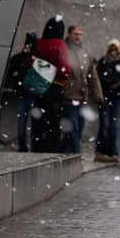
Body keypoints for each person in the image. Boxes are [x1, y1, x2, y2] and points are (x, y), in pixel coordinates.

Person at [59, 24, 103, 155]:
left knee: (78, 129)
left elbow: (93, 75)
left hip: (82, 97)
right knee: (73, 128)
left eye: (80, 34)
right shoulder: (64, 50)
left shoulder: (85, 53)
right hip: (68, 96)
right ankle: (75, 157)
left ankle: (61, 151)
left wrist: (98, 94)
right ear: (69, 34)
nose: (78, 37)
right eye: (75, 34)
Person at [30, 16, 71, 153]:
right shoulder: (60, 44)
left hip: (39, 85)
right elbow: (65, 70)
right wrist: (55, 70)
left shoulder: (39, 43)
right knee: (52, 122)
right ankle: (49, 150)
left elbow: (32, 63)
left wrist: (43, 68)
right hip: (55, 87)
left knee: (38, 121)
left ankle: (37, 149)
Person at [4, 31, 38, 152]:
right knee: (26, 124)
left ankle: (24, 147)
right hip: (28, 94)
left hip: (25, 94)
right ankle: (26, 146)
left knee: (23, 124)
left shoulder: (20, 58)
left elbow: (10, 73)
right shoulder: (29, 59)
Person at [94, 39, 120, 162]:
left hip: (116, 96)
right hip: (106, 95)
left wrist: (118, 84)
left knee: (114, 125)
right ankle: (102, 151)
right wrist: (109, 83)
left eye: (115, 49)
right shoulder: (104, 61)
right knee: (105, 124)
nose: (113, 52)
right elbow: (99, 77)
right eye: (112, 49)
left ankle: (113, 151)